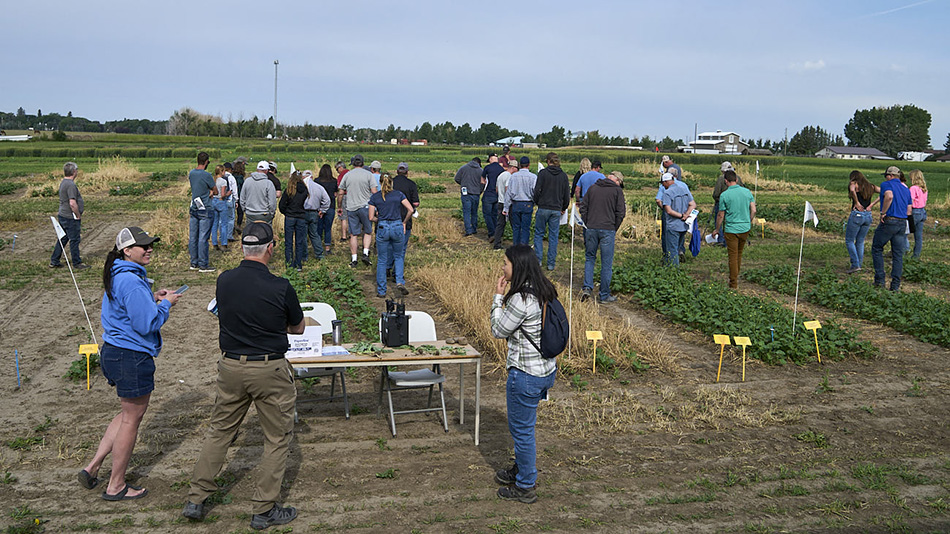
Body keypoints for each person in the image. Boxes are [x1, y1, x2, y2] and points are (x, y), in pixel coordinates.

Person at [182, 222, 304, 530]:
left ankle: (196, 499)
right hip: (269, 369)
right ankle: (263, 509)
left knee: (219, 431)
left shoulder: (224, 280)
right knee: (276, 439)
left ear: (242, 248)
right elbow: (298, 327)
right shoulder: (281, 286)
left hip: (231, 366)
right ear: (271, 248)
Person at [80, 227, 180, 501]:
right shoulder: (133, 282)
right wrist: (166, 304)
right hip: (131, 356)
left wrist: (152, 298)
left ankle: (93, 466)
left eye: (151, 245)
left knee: (126, 415)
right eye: (143, 246)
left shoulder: (119, 274)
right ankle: (116, 485)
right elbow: (147, 323)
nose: (149, 249)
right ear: (127, 250)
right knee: (131, 421)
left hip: (113, 352)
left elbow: (129, 309)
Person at [490, 244, 557, 504]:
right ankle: (520, 469)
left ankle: (526, 484)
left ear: (516, 267)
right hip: (545, 370)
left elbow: (498, 330)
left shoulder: (520, 299)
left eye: (505, 263)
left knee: (522, 431)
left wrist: (498, 297)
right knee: (524, 427)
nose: (502, 267)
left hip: (525, 375)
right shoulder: (544, 290)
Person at [579, 171, 625, 302]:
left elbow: (583, 207)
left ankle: (587, 288)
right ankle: (604, 295)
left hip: (591, 228)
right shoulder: (617, 191)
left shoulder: (593, 188)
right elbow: (621, 212)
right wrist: (614, 227)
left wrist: (587, 222)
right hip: (608, 229)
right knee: (606, 263)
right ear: (617, 180)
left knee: (589, 258)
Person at [368, 173, 414, 297]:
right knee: (398, 256)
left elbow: (371, 217)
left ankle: (382, 290)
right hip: (397, 226)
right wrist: (404, 222)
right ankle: (399, 281)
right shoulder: (398, 195)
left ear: (380, 183)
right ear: (391, 182)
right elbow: (410, 209)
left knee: (382, 260)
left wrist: (381, 219)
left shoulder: (375, 197)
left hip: (383, 227)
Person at [712, 171, 756, 288]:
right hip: (745, 228)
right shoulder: (747, 192)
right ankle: (736, 276)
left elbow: (721, 214)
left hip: (731, 229)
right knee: (739, 254)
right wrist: (749, 220)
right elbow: (753, 210)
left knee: (732, 256)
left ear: (726, 181)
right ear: (736, 179)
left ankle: (733, 283)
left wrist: (717, 229)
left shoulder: (724, 195)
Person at [872, 166, 913, 291]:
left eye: (886, 175)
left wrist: (883, 212)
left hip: (890, 220)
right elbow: (909, 209)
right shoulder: (906, 189)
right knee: (897, 254)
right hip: (902, 222)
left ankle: (880, 280)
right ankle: (895, 285)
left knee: (877, 248)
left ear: (890, 175)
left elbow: (889, 196)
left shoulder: (886, 184)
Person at [337, 154, 378, 267]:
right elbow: (374, 192)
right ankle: (365, 253)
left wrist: (339, 206)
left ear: (353, 164)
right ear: (363, 163)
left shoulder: (347, 175)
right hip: (365, 207)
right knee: (368, 231)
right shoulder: (369, 175)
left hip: (351, 207)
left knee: (353, 234)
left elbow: (340, 193)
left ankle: (354, 259)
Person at [532, 152, 571, 271]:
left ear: (548, 162)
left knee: (539, 234)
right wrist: (563, 207)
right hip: (556, 209)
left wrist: (538, 202)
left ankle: (538, 260)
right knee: (553, 236)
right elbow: (566, 194)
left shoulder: (543, 173)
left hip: (543, 207)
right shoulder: (563, 176)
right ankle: (550, 264)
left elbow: (537, 190)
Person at [50, 161, 91, 269]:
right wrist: (77, 215)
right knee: (74, 239)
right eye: (76, 170)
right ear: (74, 171)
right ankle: (77, 263)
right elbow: (72, 203)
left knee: (63, 238)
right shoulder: (71, 185)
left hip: (63, 215)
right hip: (70, 217)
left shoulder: (64, 182)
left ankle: (54, 260)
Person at [845, 170, 879, 273]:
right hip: (868, 215)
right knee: (860, 241)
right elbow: (885, 192)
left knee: (849, 240)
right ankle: (859, 264)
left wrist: (856, 202)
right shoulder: (871, 186)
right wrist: (872, 204)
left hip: (857, 214)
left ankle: (855, 264)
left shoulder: (854, 184)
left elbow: (852, 190)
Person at [390, 162, 420, 278]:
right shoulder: (411, 184)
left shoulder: (390, 183)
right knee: (401, 249)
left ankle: (387, 267)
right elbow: (416, 203)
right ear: (407, 172)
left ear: (397, 171)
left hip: (390, 217)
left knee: (389, 246)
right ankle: (396, 273)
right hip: (405, 219)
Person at [188, 152, 216, 272]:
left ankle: (194, 263)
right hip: (205, 208)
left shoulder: (192, 174)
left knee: (193, 237)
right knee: (203, 238)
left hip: (194, 207)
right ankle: (203, 264)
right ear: (206, 162)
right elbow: (215, 190)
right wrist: (210, 193)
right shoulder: (207, 175)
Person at [655, 160, 689, 260]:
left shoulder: (665, 187)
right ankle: (680, 250)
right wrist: (686, 213)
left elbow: (658, 200)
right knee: (681, 233)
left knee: (668, 235)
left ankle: (668, 256)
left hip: (671, 216)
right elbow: (691, 202)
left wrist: (664, 208)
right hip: (684, 214)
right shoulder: (684, 185)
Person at [660, 172, 696, 266]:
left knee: (672, 250)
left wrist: (681, 215)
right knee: (677, 247)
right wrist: (686, 214)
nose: (662, 185)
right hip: (683, 225)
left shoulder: (667, 193)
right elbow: (693, 204)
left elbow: (668, 211)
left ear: (666, 182)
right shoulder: (684, 189)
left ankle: (674, 272)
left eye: (663, 183)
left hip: (673, 225)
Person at [278, 171, 310, 271]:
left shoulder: (289, 190)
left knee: (288, 242)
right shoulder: (305, 190)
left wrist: (286, 212)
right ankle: (298, 264)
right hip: (301, 216)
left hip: (290, 216)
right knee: (299, 242)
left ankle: (289, 264)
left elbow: (282, 204)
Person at [505, 156, 538, 246]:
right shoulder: (533, 177)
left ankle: (516, 245)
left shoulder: (513, 177)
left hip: (516, 203)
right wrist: (535, 202)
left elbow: (509, 193)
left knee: (516, 227)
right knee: (525, 227)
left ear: (519, 165)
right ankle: (524, 246)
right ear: (529, 165)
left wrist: (506, 207)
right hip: (527, 203)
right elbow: (535, 192)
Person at [301, 169, 331, 262]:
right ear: (312, 177)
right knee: (314, 234)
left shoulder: (301, 187)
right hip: (314, 212)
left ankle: (304, 256)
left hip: (302, 212)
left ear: (303, 177)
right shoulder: (319, 187)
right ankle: (319, 254)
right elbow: (327, 200)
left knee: (303, 235)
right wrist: (322, 210)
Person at [711, 162, 742, 247]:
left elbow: (716, 193)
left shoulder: (721, 179)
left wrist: (717, 200)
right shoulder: (737, 178)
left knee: (719, 220)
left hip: (722, 202)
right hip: (736, 204)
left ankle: (721, 239)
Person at [492, 159, 518, 250]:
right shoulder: (509, 176)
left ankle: (497, 243)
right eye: (517, 169)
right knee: (515, 224)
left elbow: (496, 189)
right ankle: (518, 243)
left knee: (500, 224)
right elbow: (507, 189)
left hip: (500, 201)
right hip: (507, 203)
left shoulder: (501, 175)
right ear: (513, 168)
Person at [455, 157, 483, 236]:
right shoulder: (481, 170)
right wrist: (479, 191)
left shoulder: (463, 168)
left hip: (466, 193)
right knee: (474, 212)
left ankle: (468, 230)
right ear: (479, 163)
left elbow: (456, 178)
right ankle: (474, 229)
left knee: (466, 212)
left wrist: (463, 183)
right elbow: (484, 183)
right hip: (476, 194)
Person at [315, 164, 339, 256]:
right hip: (331, 207)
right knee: (328, 228)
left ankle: (318, 247)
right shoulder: (334, 181)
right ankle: (327, 248)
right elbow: (335, 193)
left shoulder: (317, 181)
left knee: (319, 228)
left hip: (319, 207)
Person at [481, 154, 504, 239]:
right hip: (498, 195)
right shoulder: (501, 169)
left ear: (490, 159)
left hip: (488, 194)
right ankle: (497, 233)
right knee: (495, 215)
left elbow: (482, 180)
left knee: (487, 214)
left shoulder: (487, 168)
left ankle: (492, 233)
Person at [210, 165, 232, 251]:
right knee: (223, 224)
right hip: (221, 201)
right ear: (222, 172)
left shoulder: (213, 180)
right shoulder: (223, 181)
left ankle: (214, 243)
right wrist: (228, 194)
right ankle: (223, 244)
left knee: (214, 223)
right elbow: (222, 194)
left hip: (213, 201)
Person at [908, 169, 928, 259]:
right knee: (918, 237)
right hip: (922, 211)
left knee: (903, 233)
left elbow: (910, 201)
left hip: (915, 211)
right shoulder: (924, 188)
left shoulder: (913, 188)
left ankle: (903, 250)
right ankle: (916, 256)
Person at [335, 161, 349, 241]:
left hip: (344, 196)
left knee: (343, 217)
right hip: (353, 196)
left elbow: (341, 190)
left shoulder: (341, 176)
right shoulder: (350, 173)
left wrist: (339, 205)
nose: (337, 172)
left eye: (337, 170)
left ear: (340, 167)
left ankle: (344, 236)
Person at [225, 163, 239, 239]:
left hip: (221, 200)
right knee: (231, 218)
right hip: (230, 200)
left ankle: (222, 235)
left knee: (222, 219)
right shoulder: (231, 177)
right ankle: (229, 235)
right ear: (230, 169)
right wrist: (236, 200)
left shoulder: (219, 177)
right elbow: (234, 190)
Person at [232, 160, 247, 232]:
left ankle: (232, 226)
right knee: (240, 212)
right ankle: (238, 225)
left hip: (232, 196)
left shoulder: (232, 176)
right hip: (239, 196)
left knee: (232, 212)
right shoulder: (240, 177)